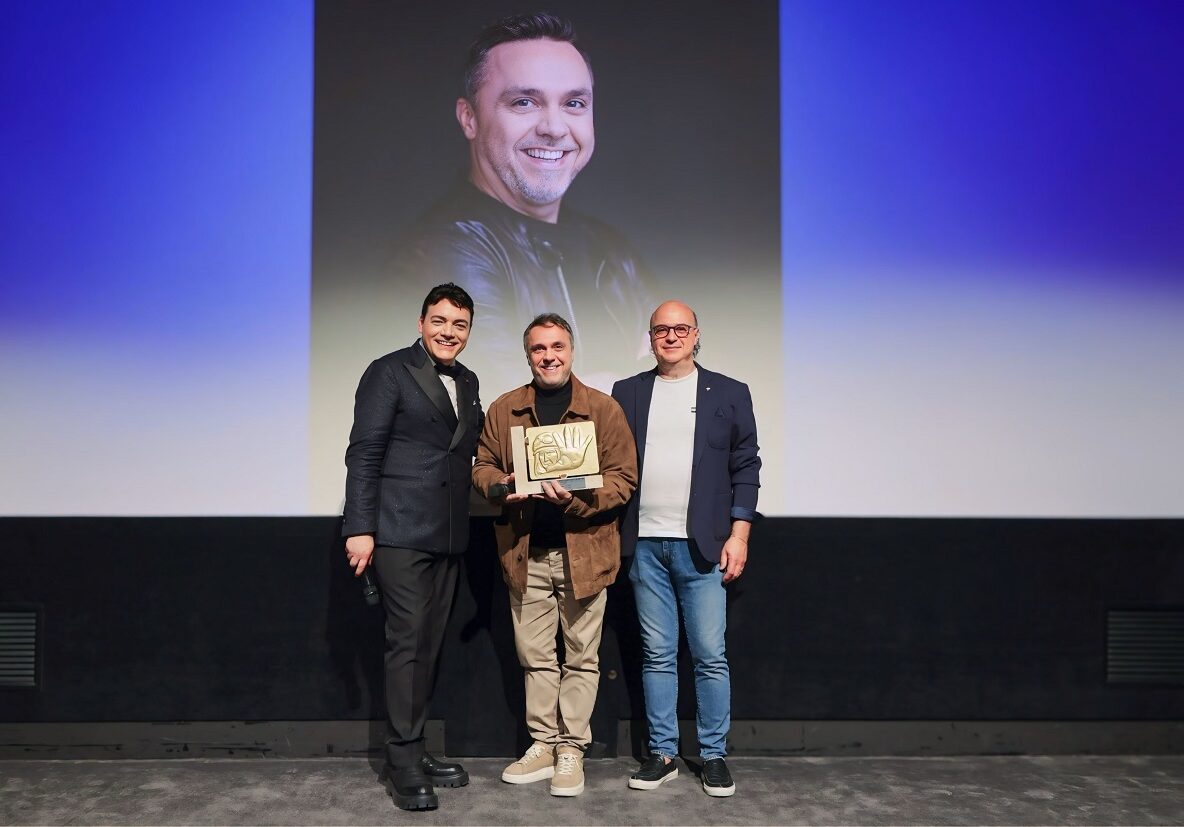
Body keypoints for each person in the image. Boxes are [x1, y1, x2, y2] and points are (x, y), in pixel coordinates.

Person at [395, 12, 655, 394]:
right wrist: (631, 390)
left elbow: (682, 388)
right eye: (524, 102)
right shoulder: (446, 253)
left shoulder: (611, 250)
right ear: (469, 118)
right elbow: (511, 411)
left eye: (574, 103)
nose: (554, 127)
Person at [472, 313, 637, 797]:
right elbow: (482, 465)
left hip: (585, 553)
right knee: (535, 657)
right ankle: (543, 744)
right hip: (525, 552)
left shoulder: (602, 409)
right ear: (528, 355)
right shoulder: (505, 408)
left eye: (557, 346)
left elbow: (624, 478)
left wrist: (577, 499)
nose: (549, 356)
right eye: (539, 348)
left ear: (571, 350)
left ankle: (571, 749)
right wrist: (500, 486)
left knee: (582, 657)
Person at [341, 283, 484, 811]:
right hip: (398, 530)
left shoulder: (467, 380)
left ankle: (415, 747)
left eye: (459, 324)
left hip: (447, 533)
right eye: (439, 321)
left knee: (428, 644)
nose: (449, 332)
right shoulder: (389, 371)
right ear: (421, 323)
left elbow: (469, 450)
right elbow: (364, 452)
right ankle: (401, 760)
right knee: (407, 644)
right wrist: (360, 527)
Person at [611, 300, 761, 797]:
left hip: (704, 547)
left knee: (709, 656)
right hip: (644, 544)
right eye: (661, 330)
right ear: (650, 337)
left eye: (680, 329)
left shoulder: (730, 392)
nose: (671, 337)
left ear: (696, 335)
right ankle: (662, 753)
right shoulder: (627, 391)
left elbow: (746, 466)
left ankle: (714, 755)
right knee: (657, 655)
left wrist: (740, 535)